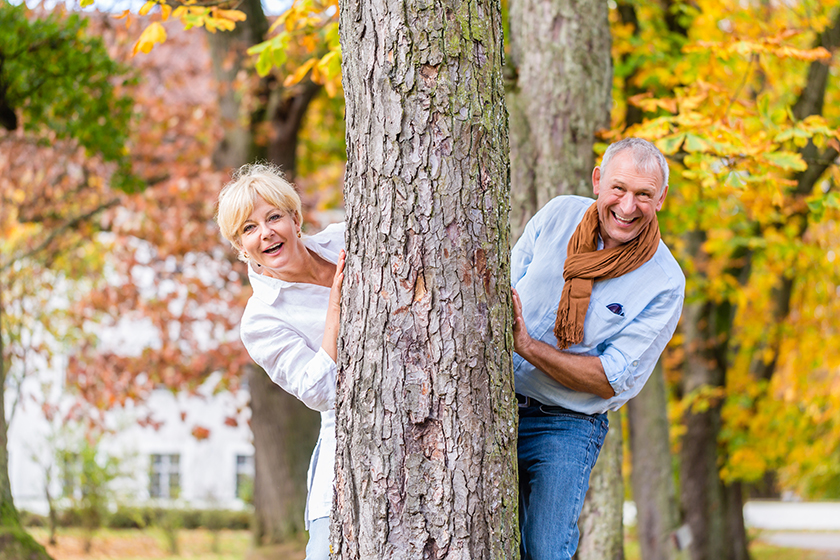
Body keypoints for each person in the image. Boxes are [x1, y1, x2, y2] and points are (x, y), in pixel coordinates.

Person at [511, 137, 685, 559]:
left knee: (546, 550)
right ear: (597, 181)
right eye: (619, 189)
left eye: (644, 194)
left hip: (567, 425)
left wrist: (528, 347)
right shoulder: (557, 216)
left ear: (660, 199)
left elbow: (610, 377)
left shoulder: (664, 282)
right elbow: (505, 291)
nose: (628, 207)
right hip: (495, 403)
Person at [215, 163, 344, 560]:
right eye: (248, 229)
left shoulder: (347, 240)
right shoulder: (261, 319)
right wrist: (338, 306)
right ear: (241, 247)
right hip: (348, 453)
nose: (265, 233)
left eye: (273, 217)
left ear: (296, 218)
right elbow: (320, 391)